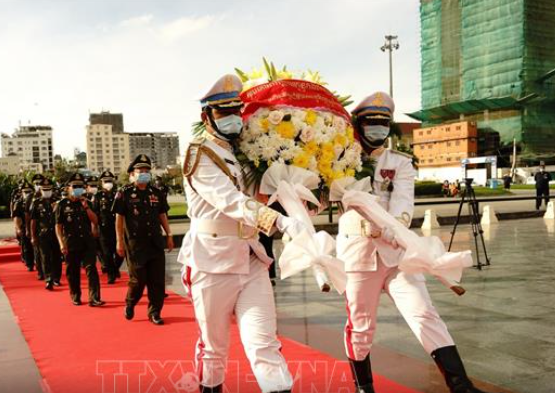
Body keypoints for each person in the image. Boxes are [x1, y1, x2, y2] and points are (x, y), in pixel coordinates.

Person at [338, 92, 488, 393]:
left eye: (383, 123)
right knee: (362, 326)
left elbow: (404, 201)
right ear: (359, 124)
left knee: (424, 313)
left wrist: (394, 227)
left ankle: (461, 386)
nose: (377, 129)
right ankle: (364, 388)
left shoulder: (400, 162)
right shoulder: (341, 160)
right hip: (358, 255)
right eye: (371, 123)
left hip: (398, 253)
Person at [178, 74, 307, 393]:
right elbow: (231, 200)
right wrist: (277, 222)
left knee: (265, 345)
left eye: (236, 111)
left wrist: (297, 199)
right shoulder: (200, 154)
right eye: (224, 112)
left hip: (250, 260)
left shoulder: (247, 154)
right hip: (212, 263)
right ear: (206, 116)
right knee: (214, 350)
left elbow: (262, 194)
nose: (233, 118)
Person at [113, 154, 173, 325]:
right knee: (138, 280)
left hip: (155, 242)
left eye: (147, 170)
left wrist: (168, 235)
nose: (144, 173)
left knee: (157, 280)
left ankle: (155, 312)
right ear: (132, 173)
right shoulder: (124, 193)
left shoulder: (156, 192)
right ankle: (130, 303)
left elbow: (162, 214)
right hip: (135, 245)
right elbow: (119, 219)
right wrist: (119, 241)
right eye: (141, 170)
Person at [55, 173, 104, 307]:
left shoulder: (87, 203)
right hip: (71, 242)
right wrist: (61, 243)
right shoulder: (62, 205)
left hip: (87, 242)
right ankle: (75, 295)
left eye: (80, 186)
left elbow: (95, 220)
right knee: (73, 272)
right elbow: (58, 227)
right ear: (68, 188)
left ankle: (94, 298)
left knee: (91, 269)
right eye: (74, 186)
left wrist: (86, 207)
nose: (78, 189)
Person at [30, 178, 62, 290]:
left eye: (49, 189)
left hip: (57, 234)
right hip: (43, 234)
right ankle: (48, 279)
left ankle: (57, 278)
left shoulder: (58, 201)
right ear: (41, 190)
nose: (47, 191)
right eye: (44, 189)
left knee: (57, 256)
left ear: (52, 189)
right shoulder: (37, 203)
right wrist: (33, 236)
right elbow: (33, 221)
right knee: (45, 257)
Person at [92, 170, 121, 284]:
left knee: (119, 253)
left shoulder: (118, 194)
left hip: (117, 227)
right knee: (107, 253)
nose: (108, 182)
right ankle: (111, 274)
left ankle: (115, 268)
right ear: (102, 182)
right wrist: (94, 227)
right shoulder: (98, 196)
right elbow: (95, 213)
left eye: (110, 180)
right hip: (104, 228)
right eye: (106, 181)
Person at [13, 182, 35, 271]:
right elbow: (16, 216)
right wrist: (18, 228)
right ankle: (29, 264)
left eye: (29, 191)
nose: (27, 193)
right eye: (25, 192)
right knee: (26, 246)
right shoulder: (18, 203)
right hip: (24, 226)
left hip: (35, 226)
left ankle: (38, 262)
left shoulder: (35, 202)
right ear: (21, 192)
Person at [28, 174, 46, 280]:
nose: (38, 185)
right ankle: (40, 271)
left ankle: (50, 274)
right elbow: (28, 215)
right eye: (36, 184)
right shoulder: (31, 197)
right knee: (38, 252)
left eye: (40, 183)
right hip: (37, 229)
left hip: (49, 229)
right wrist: (29, 231)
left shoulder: (50, 196)